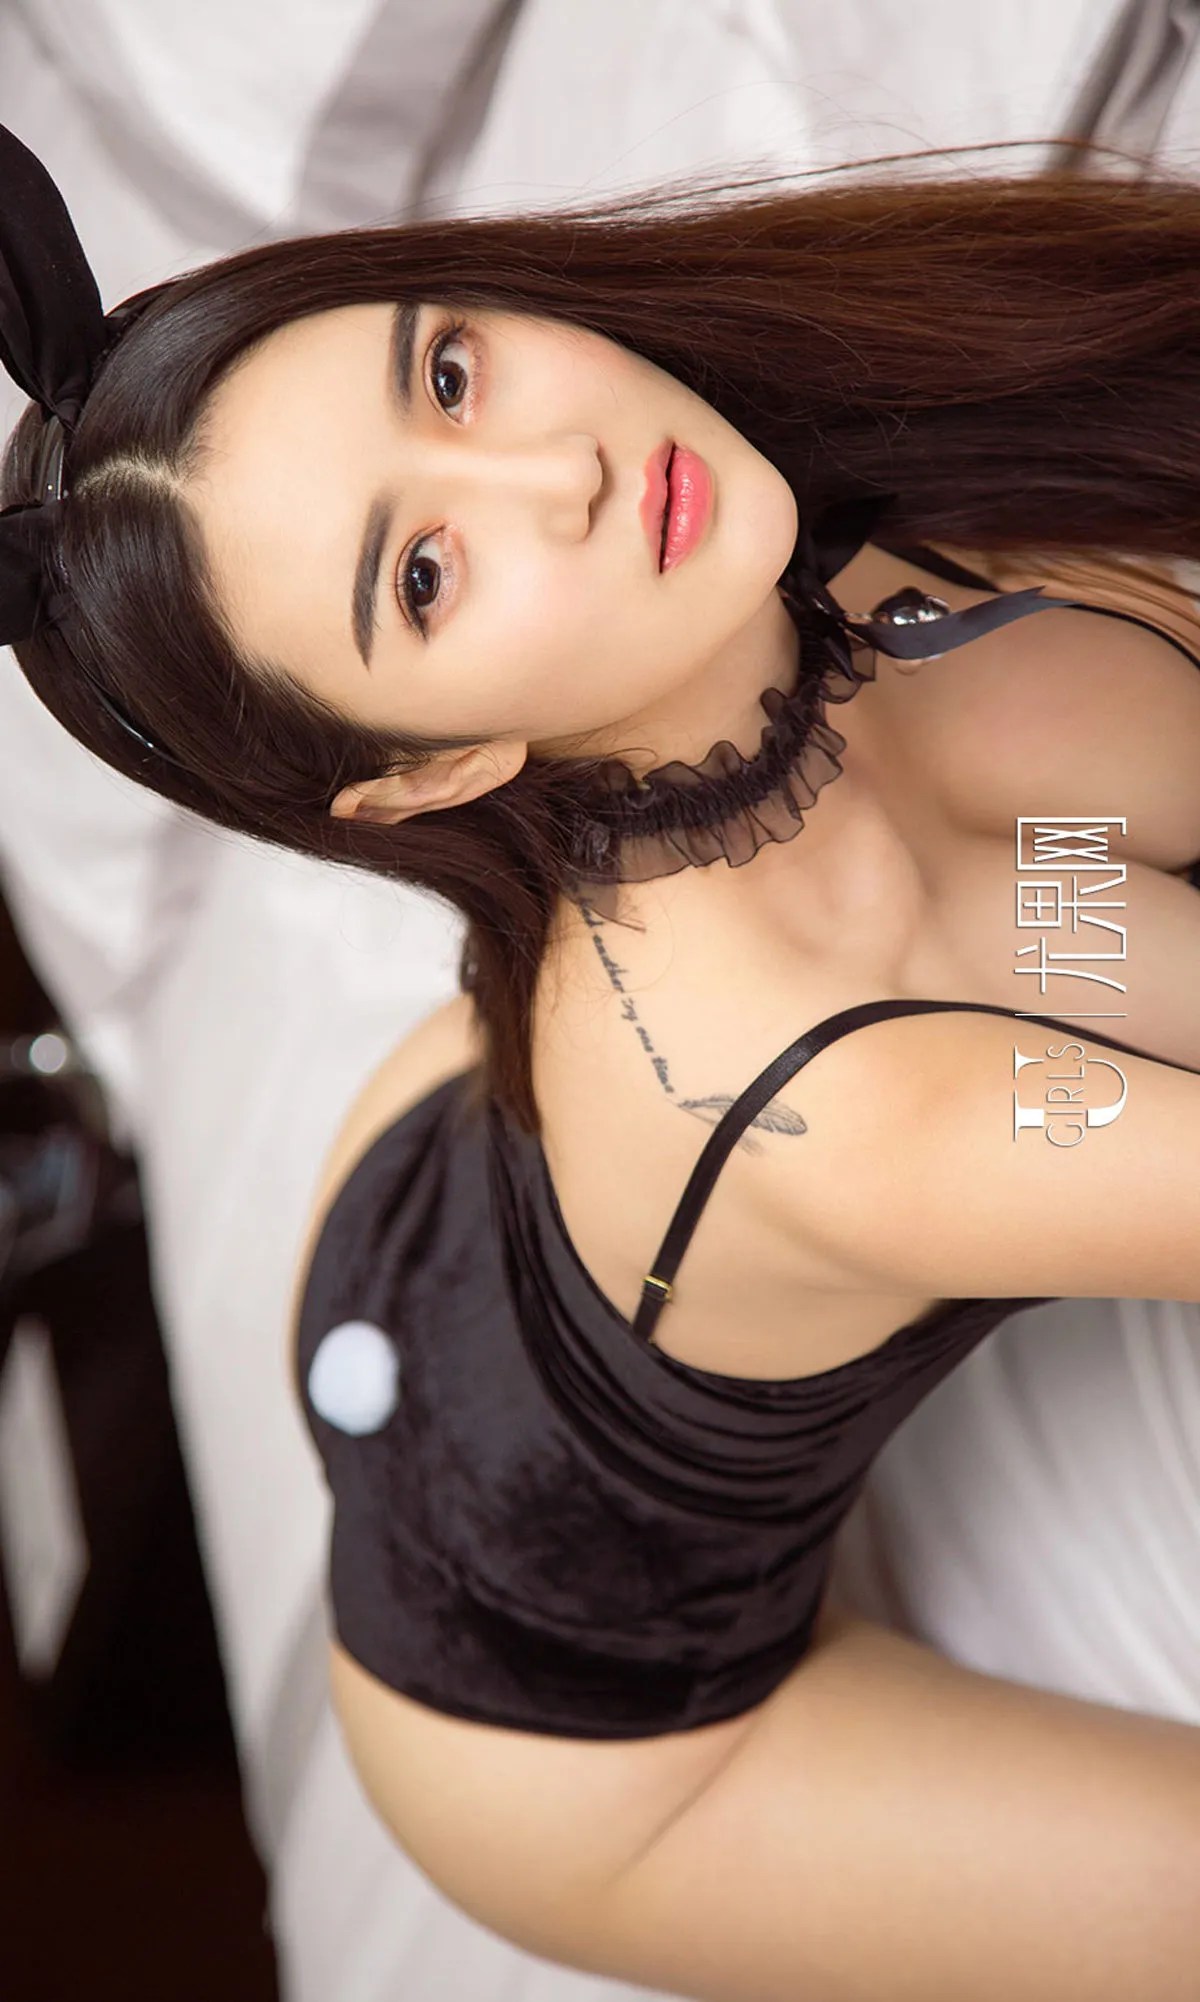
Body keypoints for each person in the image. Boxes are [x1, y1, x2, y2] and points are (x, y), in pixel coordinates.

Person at [3, 118, 1199, 1999]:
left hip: (424, 1161)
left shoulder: (798, 522)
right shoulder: (853, 1112)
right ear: (434, 768)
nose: (556, 473)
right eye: (423, 575)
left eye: (447, 374)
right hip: (565, 1726)